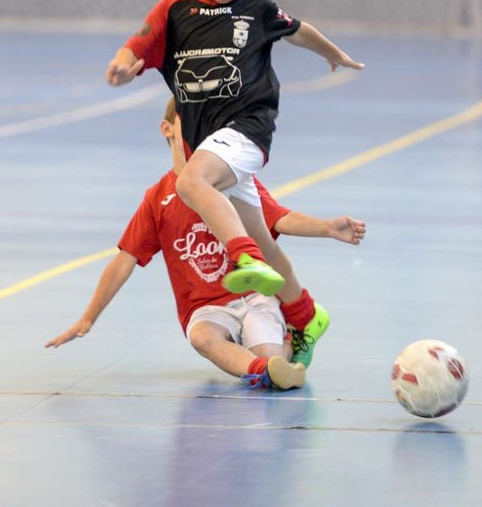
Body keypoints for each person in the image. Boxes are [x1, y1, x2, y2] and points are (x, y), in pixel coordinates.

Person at [104, 0, 364, 360]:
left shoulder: (256, 11)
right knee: (265, 239)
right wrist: (125, 65)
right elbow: (139, 42)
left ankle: (243, 258)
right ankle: (305, 314)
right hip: (210, 143)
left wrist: (335, 53)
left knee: (191, 183)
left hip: (247, 129)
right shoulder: (175, 11)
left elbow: (300, 31)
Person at [44, 98, 366, 390]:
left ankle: (283, 351)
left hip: (253, 296)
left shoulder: (232, 180)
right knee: (203, 338)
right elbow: (123, 262)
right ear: (167, 129)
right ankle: (267, 371)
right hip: (205, 307)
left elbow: (278, 219)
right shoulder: (158, 200)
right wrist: (88, 318)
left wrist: (327, 227)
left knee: (268, 352)